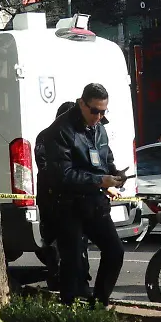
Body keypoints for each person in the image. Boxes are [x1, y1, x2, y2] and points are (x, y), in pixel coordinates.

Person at [38, 83, 128, 306]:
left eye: (103, 111)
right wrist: (100, 180)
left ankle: (99, 303)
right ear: (81, 103)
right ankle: (69, 309)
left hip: (95, 202)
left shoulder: (100, 128)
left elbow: (105, 160)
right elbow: (63, 176)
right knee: (73, 262)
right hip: (68, 205)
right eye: (94, 110)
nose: (98, 116)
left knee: (115, 251)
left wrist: (115, 175)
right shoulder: (61, 130)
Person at [35, 101, 88, 292]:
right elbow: (48, 169)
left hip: (73, 200)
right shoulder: (47, 136)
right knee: (55, 243)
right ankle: (58, 280)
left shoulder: (78, 137)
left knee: (79, 242)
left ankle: (81, 280)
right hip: (52, 199)